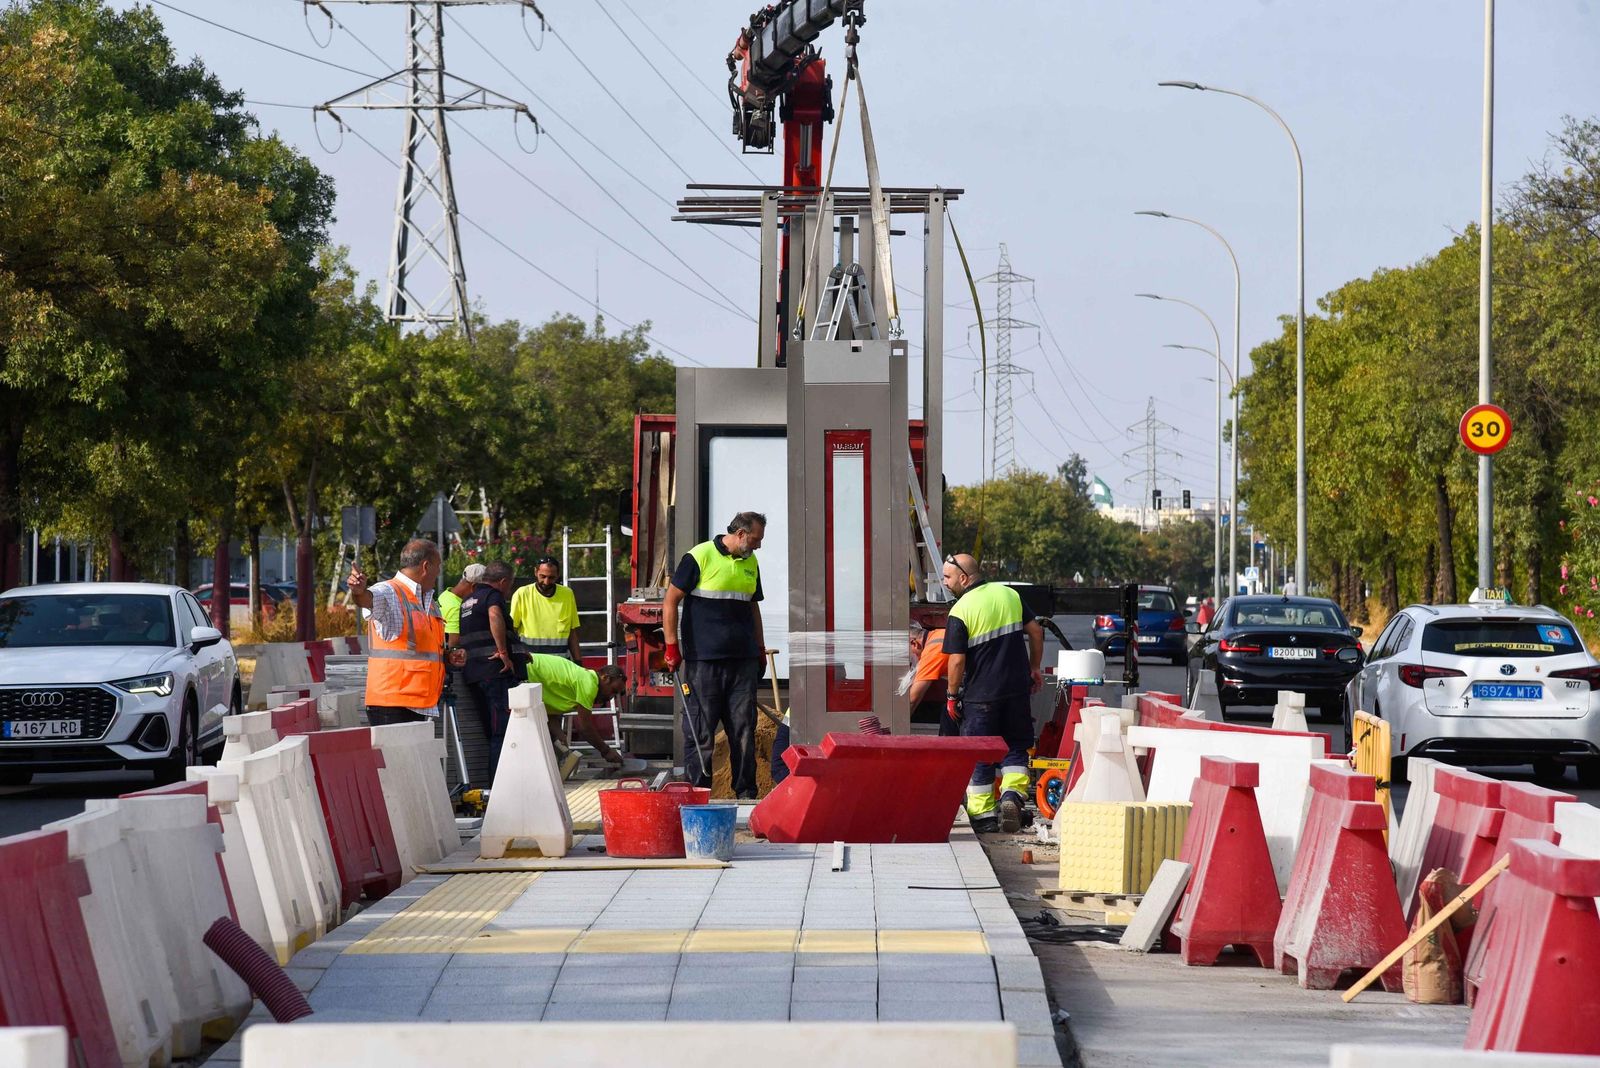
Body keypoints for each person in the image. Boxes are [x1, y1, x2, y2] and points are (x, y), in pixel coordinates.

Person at [661, 511, 766, 799]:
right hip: (704, 663)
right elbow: (669, 602)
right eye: (756, 539)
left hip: (742, 662)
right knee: (701, 732)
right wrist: (672, 647)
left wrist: (759, 649)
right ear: (741, 534)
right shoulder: (700, 556)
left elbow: (753, 608)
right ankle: (698, 796)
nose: (758, 546)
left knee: (744, 732)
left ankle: (746, 794)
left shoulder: (751, 562)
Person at [941, 552, 1044, 834]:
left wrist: (951, 696)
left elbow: (957, 660)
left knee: (979, 753)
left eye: (948, 577)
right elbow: (1036, 632)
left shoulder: (961, 610)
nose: (945, 582)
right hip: (1016, 691)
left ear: (964, 578)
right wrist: (1034, 668)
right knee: (1015, 747)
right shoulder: (1009, 595)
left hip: (980, 696)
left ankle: (984, 816)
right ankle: (1012, 797)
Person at [349, 539, 446, 726]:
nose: (439, 572)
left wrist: (449, 656)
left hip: (416, 701)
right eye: (438, 566)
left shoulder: (428, 602)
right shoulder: (388, 591)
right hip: (391, 703)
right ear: (426, 566)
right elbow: (368, 600)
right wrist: (359, 592)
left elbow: (424, 650)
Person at [458, 561, 517, 776]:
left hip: (473, 674)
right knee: (501, 731)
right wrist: (503, 652)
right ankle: (499, 785)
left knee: (491, 731)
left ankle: (495, 785)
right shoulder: (493, 596)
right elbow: (494, 616)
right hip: (494, 672)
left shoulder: (466, 602)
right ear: (502, 582)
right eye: (509, 585)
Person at [524, 654, 625, 768]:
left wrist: (558, 733)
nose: (611, 697)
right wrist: (605, 751)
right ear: (605, 678)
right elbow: (585, 727)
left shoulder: (583, 680)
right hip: (523, 670)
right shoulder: (589, 684)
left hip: (526, 672)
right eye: (613, 690)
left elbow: (549, 707)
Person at [509, 556, 581, 661]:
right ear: (535, 572)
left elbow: (572, 633)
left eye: (551, 577)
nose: (546, 582)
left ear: (558, 575)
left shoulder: (567, 594)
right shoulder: (522, 594)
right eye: (543, 576)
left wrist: (579, 663)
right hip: (532, 664)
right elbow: (512, 630)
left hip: (560, 665)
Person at [906, 621, 956, 736]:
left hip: (982, 686)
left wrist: (895, 729)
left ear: (914, 643)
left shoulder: (931, 653)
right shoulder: (938, 634)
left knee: (949, 725)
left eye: (910, 654)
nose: (913, 659)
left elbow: (913, 699)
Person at [438, 563, 486, 647]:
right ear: (474, 587)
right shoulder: (457, 608)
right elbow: (454, 644)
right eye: (483, 589)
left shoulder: (446, 594)